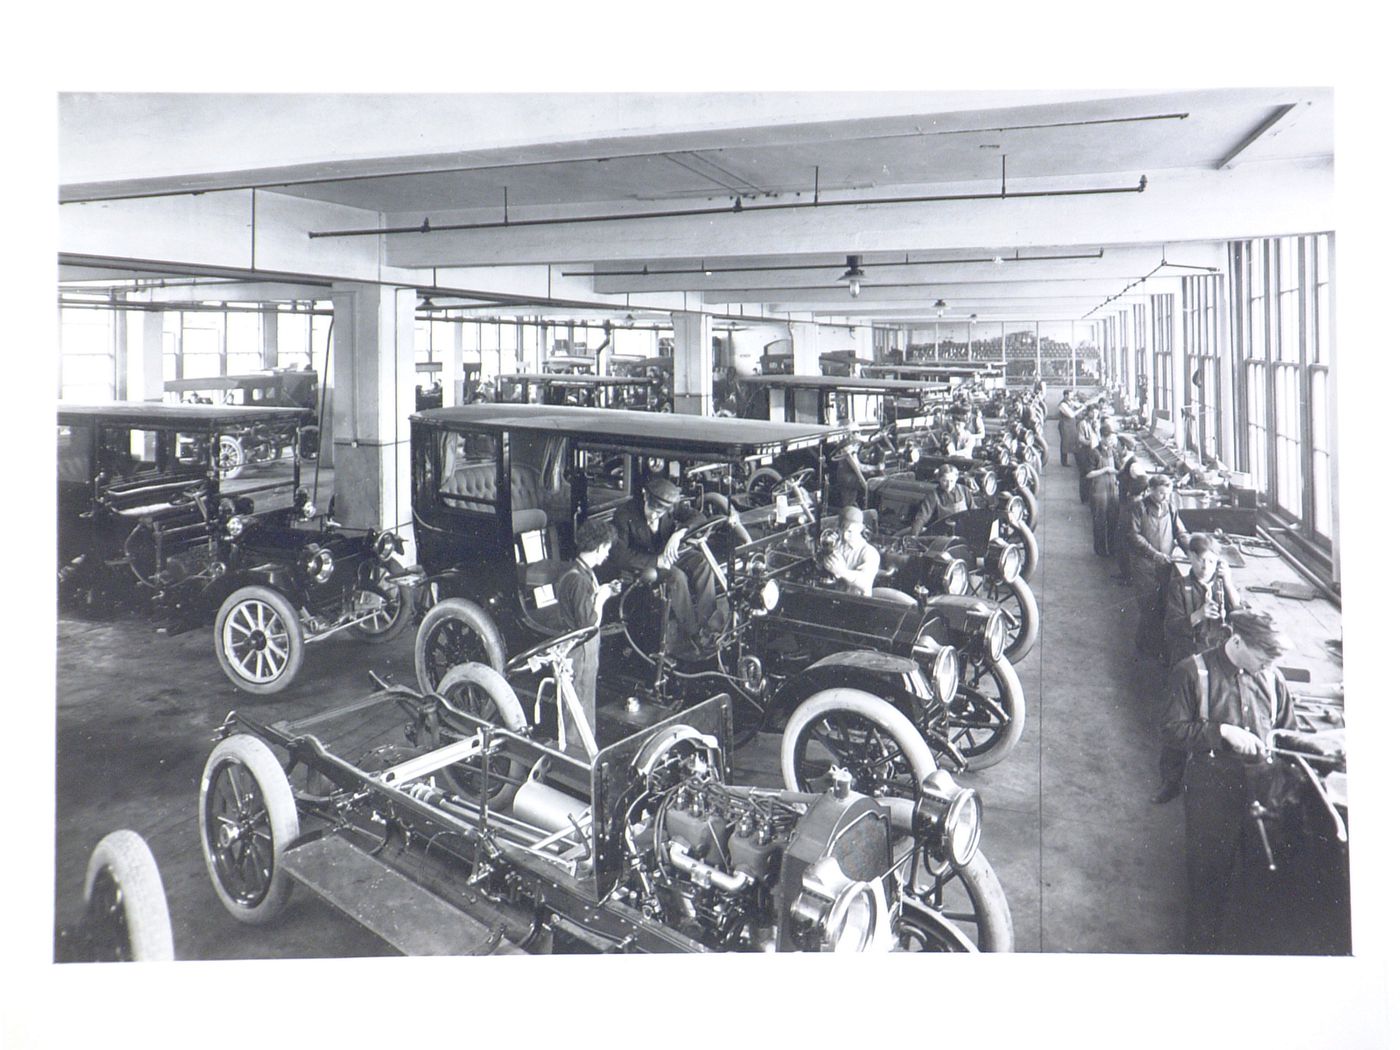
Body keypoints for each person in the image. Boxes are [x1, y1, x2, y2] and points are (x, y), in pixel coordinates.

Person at [1159, 609, 1297, 953]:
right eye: (1262, 659)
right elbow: (1171, 731)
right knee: (1207, 882)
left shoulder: (1271, 677)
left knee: (1258, 877)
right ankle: (1200, 956)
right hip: (1212, 791)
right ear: (1238, 641)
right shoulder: (1193, 672)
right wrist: (1221, 731)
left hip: (1263, 791)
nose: (1266, 668)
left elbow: (1288, 732)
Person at [1152, 532, 1247, 804]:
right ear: (1191, 558)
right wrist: (1199, 615)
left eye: (1211, 561)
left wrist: (1228, 583)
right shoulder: (1179, 587)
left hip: (1216, 662)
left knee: (1213, 720)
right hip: (1186, 661)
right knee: (1180, 720)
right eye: (1201, 560)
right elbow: (1170, 626)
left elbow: (1239, 614)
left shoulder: (1222, 586)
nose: (1206, 567)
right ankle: (1170, 781)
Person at [607, 475, 721, 654]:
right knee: (677, 577)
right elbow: (620, 556)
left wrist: (679, 533)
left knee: (702, 563)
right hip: (646, 565)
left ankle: (711, 627)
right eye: (651, 510)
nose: (654, 516)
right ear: (645, 496)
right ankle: (695, 634)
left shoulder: (670, 505)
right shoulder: (624, 514)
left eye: (659, 513)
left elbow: (699, 517)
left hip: (667, 555)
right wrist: (656, 561)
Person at [554, 518, 622, 737]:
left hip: (581, 649)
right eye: (607, 549)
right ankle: (578, 758)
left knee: (582, 703)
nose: (607, 555)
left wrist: (603, 590)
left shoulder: (579, 572)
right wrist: (601, 598)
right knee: (579, 706)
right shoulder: (579, 580)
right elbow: (589, 624)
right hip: (581, 650)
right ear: (600, 546)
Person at [1124, 474, 1189, 659]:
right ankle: (1148, 647)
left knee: (1160, 605)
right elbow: (1133, 535)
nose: (1165, 497)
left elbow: (1180, 531)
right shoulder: (1139, 507)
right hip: (1144, 564)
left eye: (1168, 493)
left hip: (1164, 564)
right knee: (1148, 605)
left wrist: (1191, 548)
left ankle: (1147, 643)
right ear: (1150, 490)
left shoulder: (1170, 507)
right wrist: (1154, 554)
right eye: (1161, 493)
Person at [1083, 419, 1126, 557]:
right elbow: (1088, 474)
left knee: (1113, 521)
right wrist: (1106, 469)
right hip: (1099, 492)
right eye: (1110, 438)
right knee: (1100, 522)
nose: (1112, 441)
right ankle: (1100, 550)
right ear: (1102, 437)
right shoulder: (1094, 453)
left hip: (1112, 490)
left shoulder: (1113, 452)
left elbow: (1120, 468)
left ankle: (1112, 549)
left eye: (1113, 438)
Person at [821, 505, 881, 597]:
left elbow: (865, 583)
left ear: (860, 528)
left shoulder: (869, 553)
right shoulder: (838, 545)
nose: (845, 535)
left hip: (856, 602)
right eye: (842, 530)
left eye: (850, 531)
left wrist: (841, 571)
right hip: (835, 597)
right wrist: (826, 548)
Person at [1074, 404, 1101, 503]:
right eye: (1092, 412)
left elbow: (1100, 437)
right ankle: (1084, 497)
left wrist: (1097, 430)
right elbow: (1080, 438)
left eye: (1096, 412)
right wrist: (1089, 442)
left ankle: (1091, 497)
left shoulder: (1097, 423)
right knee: (1084, 474)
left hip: (1095, 450)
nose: (1094, 414)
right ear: (1088, 412)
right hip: (1085, 450)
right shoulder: (1082, 424)